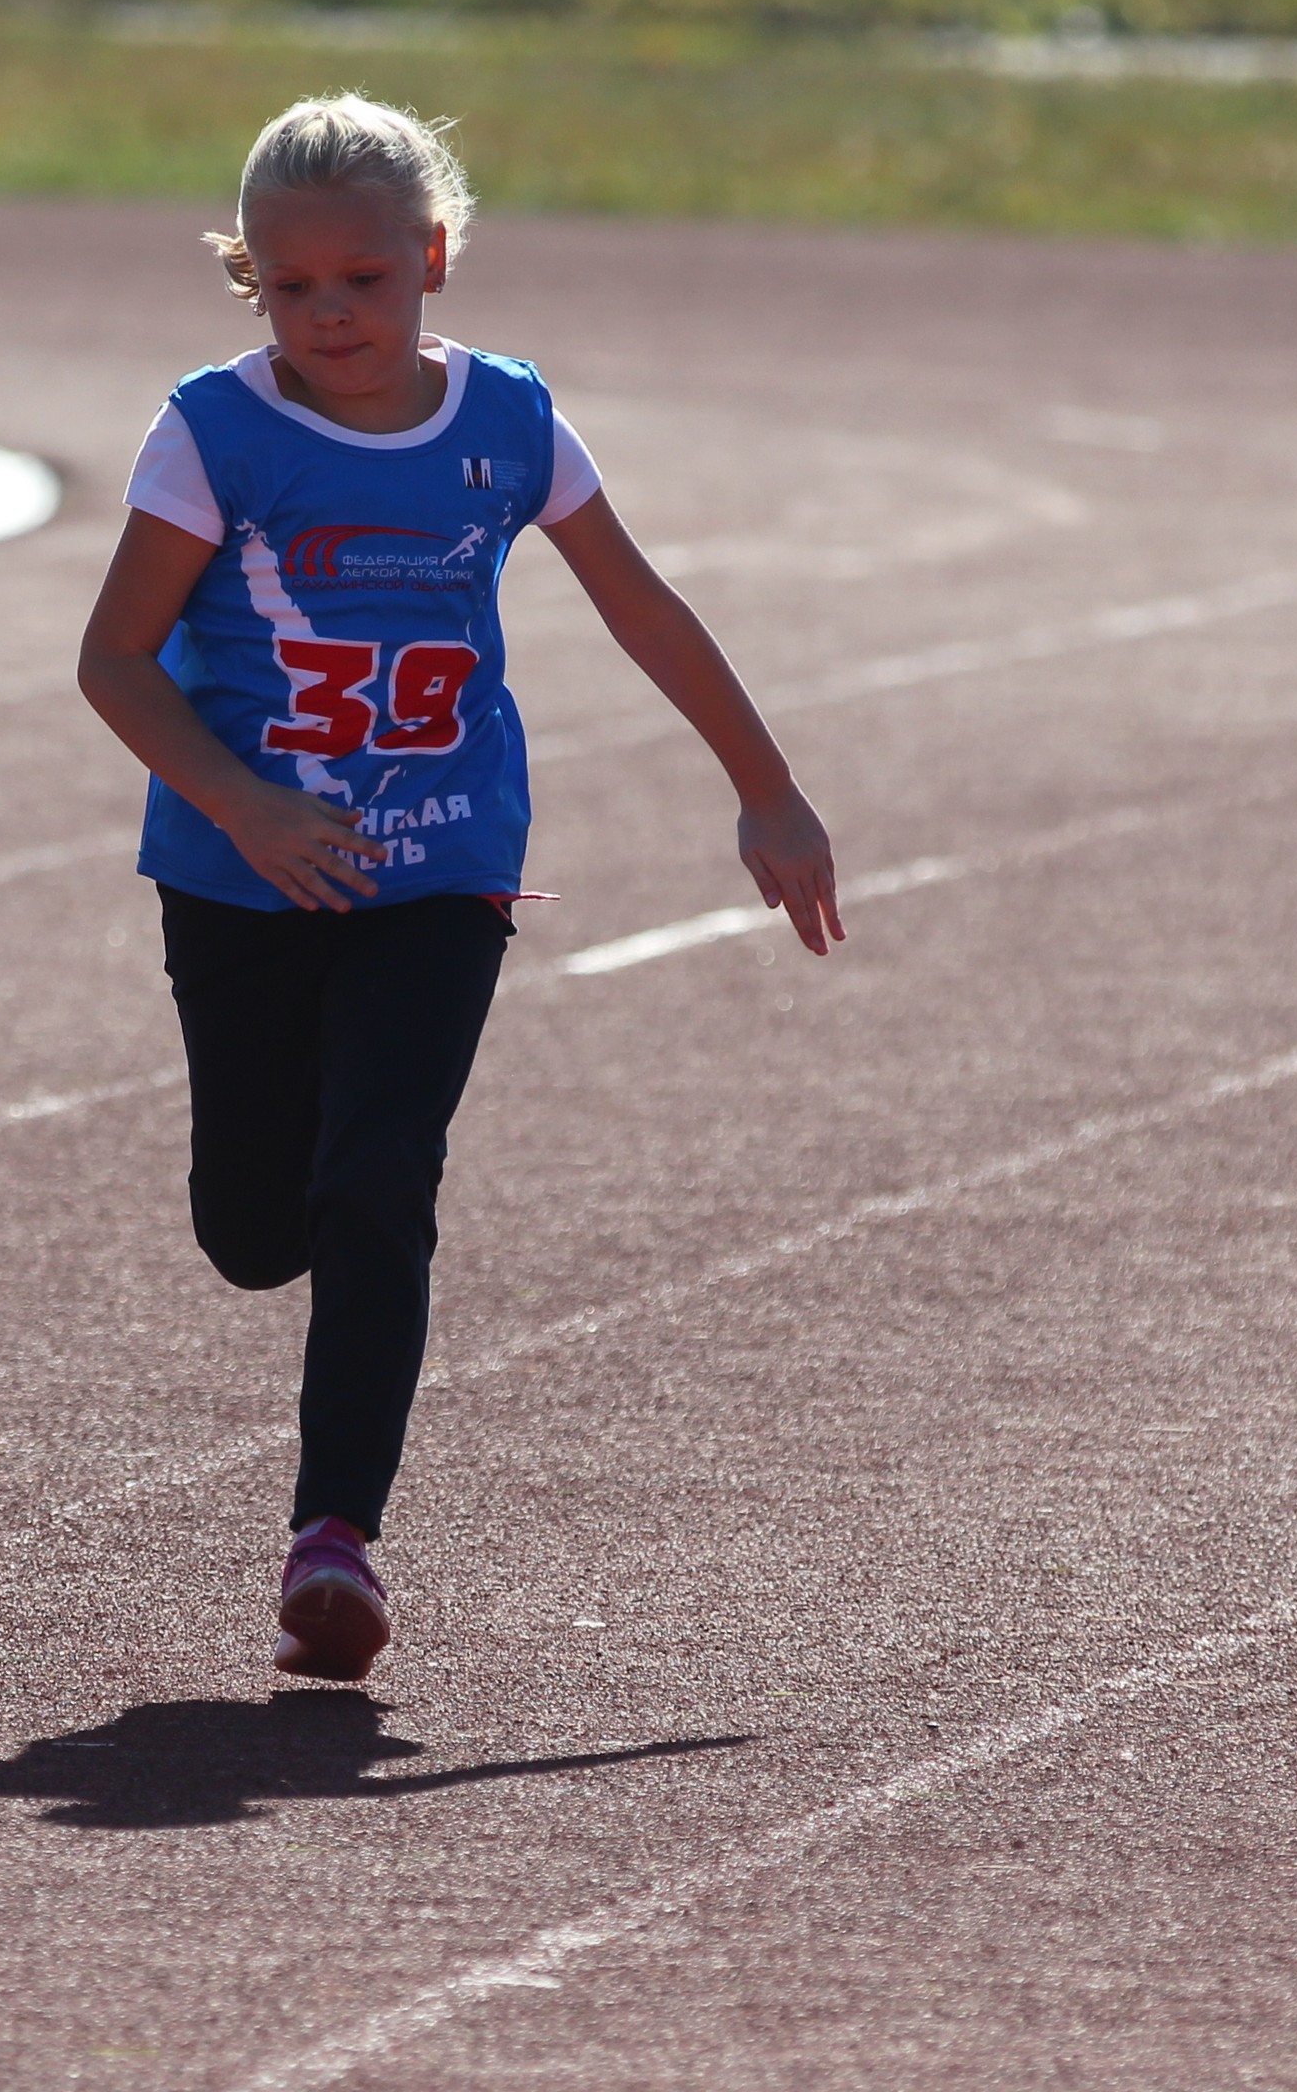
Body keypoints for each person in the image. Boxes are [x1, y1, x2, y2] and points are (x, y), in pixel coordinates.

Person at [74, 96, 842, 1685]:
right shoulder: (211, 434)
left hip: (445, 867)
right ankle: (299, 1312)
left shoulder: (510, 420)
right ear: (252, 286)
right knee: (254, 1229)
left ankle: (331, 1543)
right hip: (241, 876)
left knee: (380, 1183)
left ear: (432, 259)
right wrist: (249, 806)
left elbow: (639, 602)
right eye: (291, 290)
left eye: (363, 279)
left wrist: (764, 786)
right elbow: (115, 661)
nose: (329, 316)